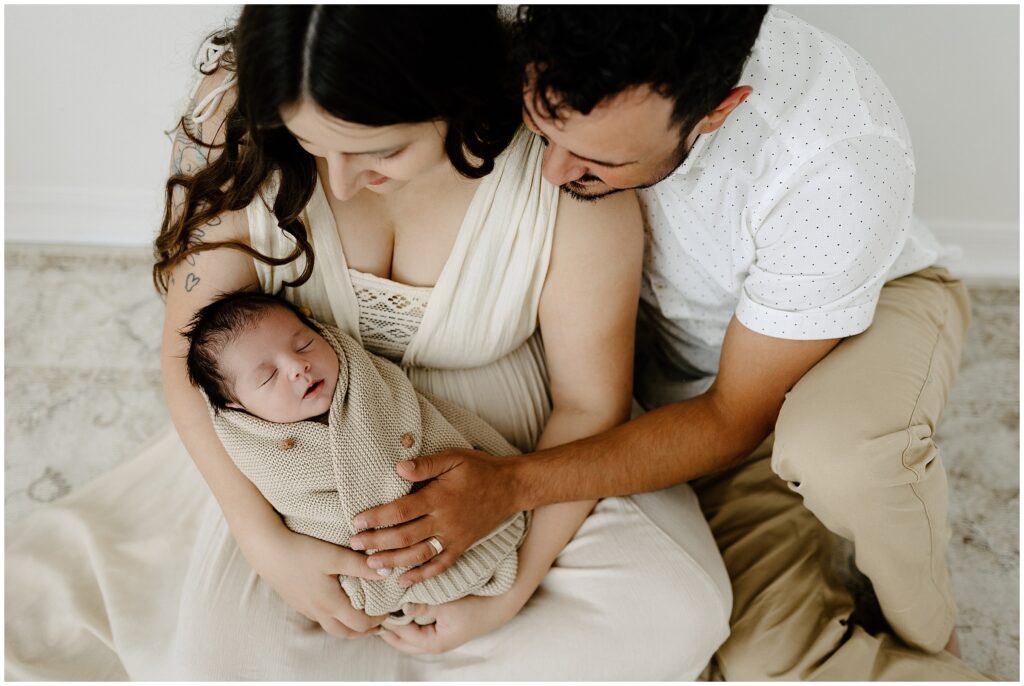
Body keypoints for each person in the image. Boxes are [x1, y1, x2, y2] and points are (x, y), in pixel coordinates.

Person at [5, 6, 731, 681]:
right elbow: (185, 352)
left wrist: (512, 587)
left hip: (511, 437)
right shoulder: (240, 117)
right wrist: (266, 543)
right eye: (311, 147)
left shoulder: (555, 151)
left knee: (672, 612)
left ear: (457, 96)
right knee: (221, 660)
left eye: (376, 151)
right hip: (297, 444)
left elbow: (586, 402)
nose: (342, 184)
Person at [351, 6, 992, 680]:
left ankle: (928, 628)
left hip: (858, 323)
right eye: (543, 131)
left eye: (600, 160)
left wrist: (509, 488)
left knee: (844, 453)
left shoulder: (836, 161)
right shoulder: (529, 29)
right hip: (683, 385)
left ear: (718, 111)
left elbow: (730, 416)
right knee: (762, 663)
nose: (554, 173)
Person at [182, 291, 529, 622]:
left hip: (468, 520)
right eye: (268, 376)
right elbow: (301, 509)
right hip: (353, 576)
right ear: (238, 407)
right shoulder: (258, 450)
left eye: (304, 344)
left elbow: (445, 426)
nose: (298, 367)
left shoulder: (371, 386)